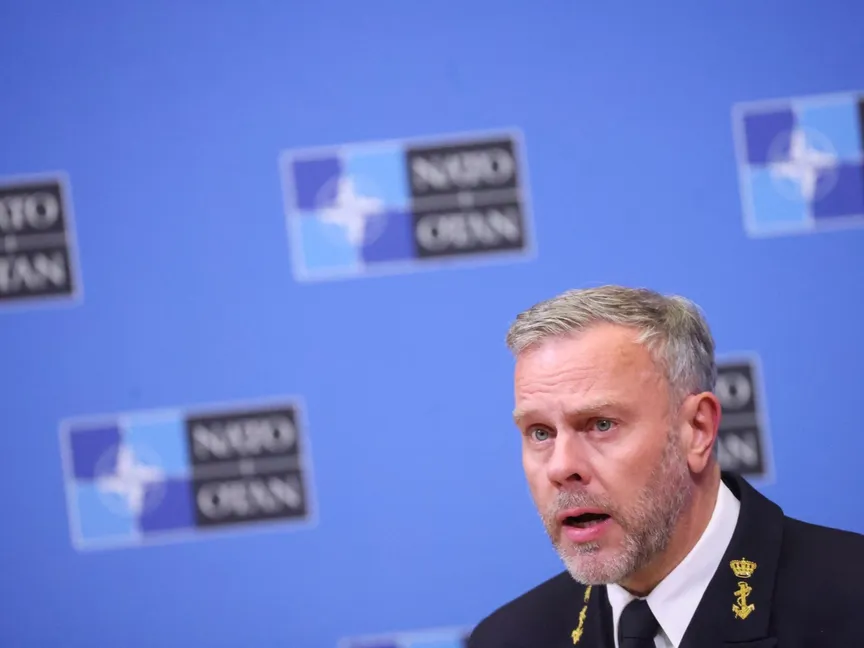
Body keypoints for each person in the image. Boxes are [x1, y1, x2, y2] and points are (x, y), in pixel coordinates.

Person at [467, 285, 864, 648]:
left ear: (697, 429)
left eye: (601, 425)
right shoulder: (506, 640)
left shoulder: (852, 600)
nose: (561, 467)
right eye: (540, 433)